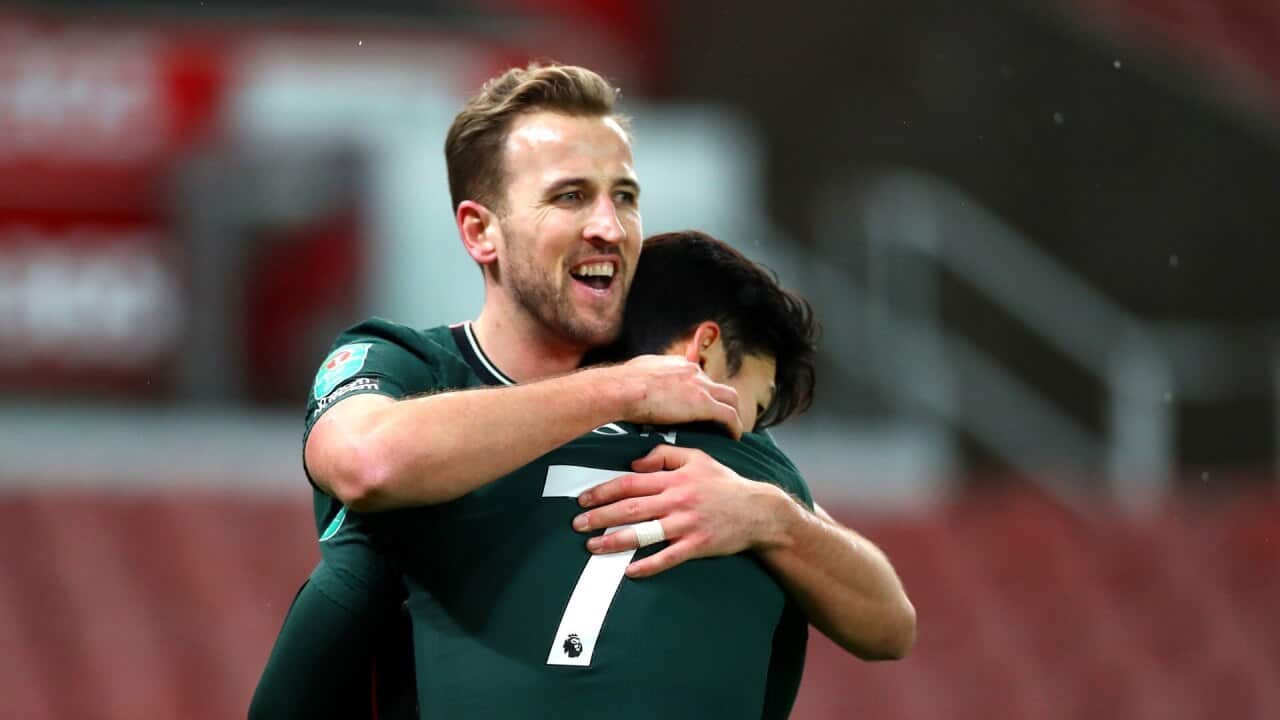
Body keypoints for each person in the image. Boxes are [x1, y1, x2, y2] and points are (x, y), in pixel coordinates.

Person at [250, 62, 914, 719]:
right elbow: (367, 462)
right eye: (571, 196)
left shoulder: (698, 431)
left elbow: (889, 624)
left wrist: (772, 519)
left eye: (623, 196)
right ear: (481, 231)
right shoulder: (407, 363)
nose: (611, 226)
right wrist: (615, 391)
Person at [373, 229, 824, 718]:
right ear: (705, 350)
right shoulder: (757, 468)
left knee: (352, 570)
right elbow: (887, 620)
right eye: (753, 406)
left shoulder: (459, 427)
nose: (747, 429)